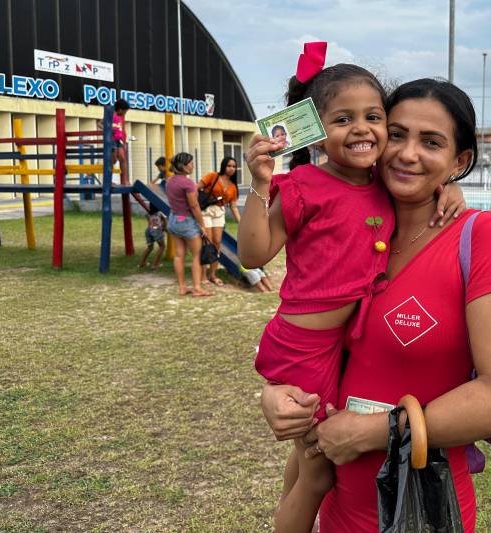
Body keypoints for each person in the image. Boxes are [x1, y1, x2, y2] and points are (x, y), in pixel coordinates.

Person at [260, 79, 491, 533]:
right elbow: (311, 334)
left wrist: (371, 433)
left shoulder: (483, 239)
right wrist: (278, 393)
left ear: (460, 161)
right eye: (399, 133)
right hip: (335, 506)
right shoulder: (355, 230)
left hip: (418, 510)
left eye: (431, 143)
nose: (407, 154)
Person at [240, 43, 466, 533]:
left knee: (304, 462)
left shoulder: (382, 184)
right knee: (318, 472)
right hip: (303, 347)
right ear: (318, 132)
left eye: (373, 116)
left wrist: (450, 185)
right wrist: (259, 184)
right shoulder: (302, 184)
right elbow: (254, 255)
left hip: (340, 347)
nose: (362, 129)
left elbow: (424, 179)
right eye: (343, 119)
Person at [165, 152, 211, 297]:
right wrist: (202, 225)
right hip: (187, 222)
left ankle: (182, 287)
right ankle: (197, 288)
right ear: (184, 167)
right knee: (196, 256)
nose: (192, 165)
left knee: (179, 256)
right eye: (190, 163)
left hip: (173, 219)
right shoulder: (188, 183)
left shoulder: (169, 181)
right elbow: (194, 206)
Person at [197, 157, 242, 286]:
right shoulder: (212, 176)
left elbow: (233, 207)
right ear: (223, 166)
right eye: (229, 166)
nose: (231, 168)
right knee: (207, 242)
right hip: (205, 211)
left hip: (219, 213)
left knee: (217, 243)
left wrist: (241, 222)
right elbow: (195, 188)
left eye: (234, 166)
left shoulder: (233, 187)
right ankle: (202, 275)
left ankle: (213, 274)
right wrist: (193, 207)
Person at [138, 203, 166, 270]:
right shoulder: (160, 213)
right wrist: (163, 228)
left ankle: (142, 263)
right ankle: (155, 265)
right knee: (162, 247)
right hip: (156, 229)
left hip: (148, 230)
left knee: (150, 247)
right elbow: (164, 222)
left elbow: (150, 223)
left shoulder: (148, 214)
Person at [112, 99, 130, 184]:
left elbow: (122, 129)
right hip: (112, 140)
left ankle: (125, 180)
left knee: (123, 158)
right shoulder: (111, 115)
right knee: (113, 160)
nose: (125, 114)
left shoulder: (120, 117)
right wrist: (108, 129)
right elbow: (100, 124)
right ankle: (109, 180)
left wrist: (124, 142)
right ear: (120, 109)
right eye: (125, 112)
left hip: (119, 140)